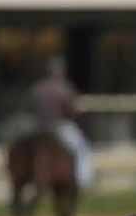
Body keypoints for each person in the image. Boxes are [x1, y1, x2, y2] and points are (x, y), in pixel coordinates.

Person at [31, 57, 94, 188]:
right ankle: (83, 181)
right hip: (59, 127)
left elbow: (31, 109)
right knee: (82, 148)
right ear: (60, 72)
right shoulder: (64, 88)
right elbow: (71, 111)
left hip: (39, 127)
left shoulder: (37, 88)